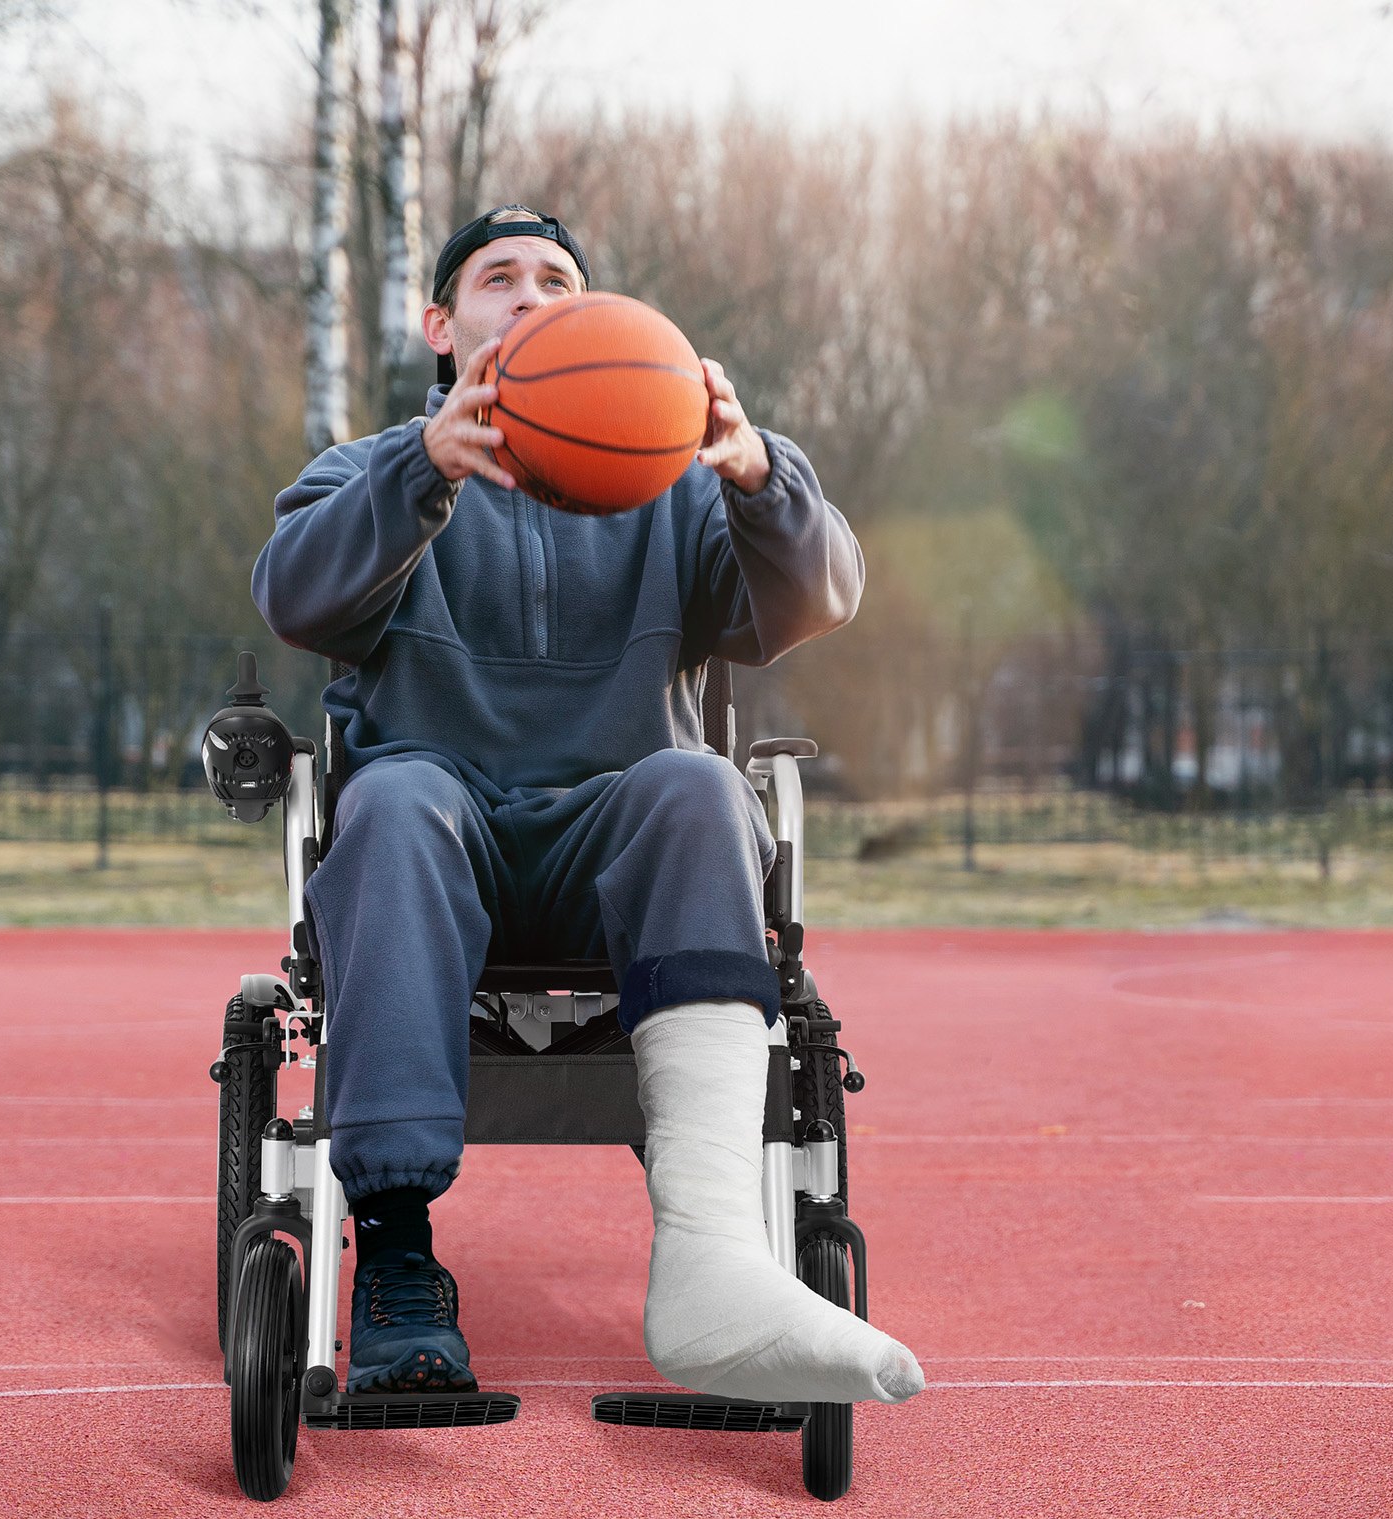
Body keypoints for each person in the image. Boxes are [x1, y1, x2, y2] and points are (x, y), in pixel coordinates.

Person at [252, 204, 924, 1407]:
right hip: (436, 836)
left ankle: (714, 1260)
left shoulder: (674, 488)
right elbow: (294, 598)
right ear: (441, 327)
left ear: (597, 319)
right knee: (392, 797)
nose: (530, 294)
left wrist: (757, 475)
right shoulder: (367, 470)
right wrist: (422, 472)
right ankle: (397, 1259)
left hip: (614, 848)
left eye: (557, 280)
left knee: (697, 781)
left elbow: (817, 597)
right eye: (498, 278)